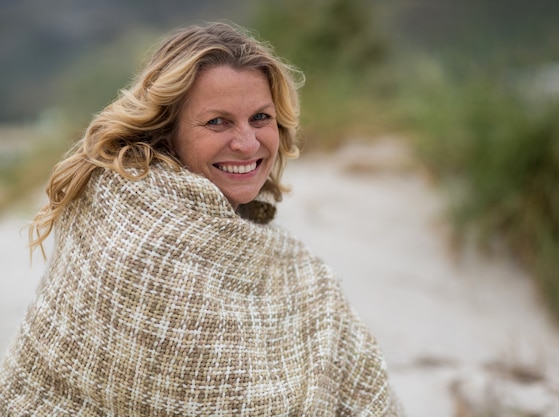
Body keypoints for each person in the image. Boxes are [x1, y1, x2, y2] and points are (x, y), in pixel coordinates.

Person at [0, 21, 403, 416]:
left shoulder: (294, 271)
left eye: (261, 117)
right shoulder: (135, 237)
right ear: (166, 130)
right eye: (217, 122)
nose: (247, 143)